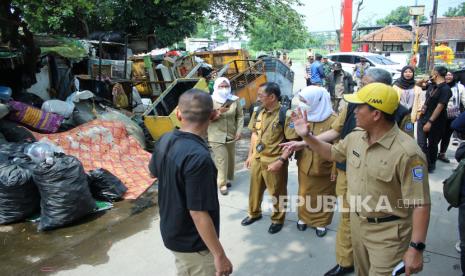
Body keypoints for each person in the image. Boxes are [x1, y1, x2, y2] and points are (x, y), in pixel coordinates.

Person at [280, 68, 413, 276]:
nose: (360, 88)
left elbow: (407, 158)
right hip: (348, 168)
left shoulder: (402, 116)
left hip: (382, 180)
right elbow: (335, 133)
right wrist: (305, 141)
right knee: (348, 218)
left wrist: (417, 246)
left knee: (376, 218)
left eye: (365, 84)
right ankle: (345, 261)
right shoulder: (353, 107)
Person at [149, 89, 233, 276]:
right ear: (212, 115)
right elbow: (197, 213)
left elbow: (151, 173)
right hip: (193, 243)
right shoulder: (199, 157)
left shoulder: (164, 139)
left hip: (171, 231)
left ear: (178, 113)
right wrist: (219, 255)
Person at [241, 82, 299, 234]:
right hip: (257, 159)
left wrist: (281, 161)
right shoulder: (258, 110)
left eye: (261, 95)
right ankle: (254, 213)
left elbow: (291, 143)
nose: (258, 98)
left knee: (277, 193)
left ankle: (277, 219)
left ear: (272, 97)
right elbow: (254, 133)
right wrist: (250, 155)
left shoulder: (287, 115)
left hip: (274, 161)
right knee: (254, 190)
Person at [294, 86, 337, 237]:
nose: (302, 103)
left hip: (325, 165)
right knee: (304, 193)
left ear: (316, 100)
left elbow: (339, 146)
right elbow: (295, 137)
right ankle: (303, 218)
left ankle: (321, 222)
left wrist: (335, 168)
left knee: (326, 196)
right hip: (305, 163)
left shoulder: (333, 120)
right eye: (301, 100)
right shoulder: (302, 115)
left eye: (305, 101)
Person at [208, 77, 244, 195]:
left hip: (231, 135)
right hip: (216, 136)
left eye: (226, 86)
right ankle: (222, 184)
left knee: (230, 159)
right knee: (222, 159)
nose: (224, 89)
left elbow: (239, 116)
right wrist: (219, 112)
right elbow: (204, 117)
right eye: (221, 86)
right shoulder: (210, 100)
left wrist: (239, 131)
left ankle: (227, 179)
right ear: (216, 87)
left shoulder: (233, 100)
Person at [417, 66, 453, 173]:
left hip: (436, 121)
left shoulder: (446, 89)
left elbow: (440, 107)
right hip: (423, 117)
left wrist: (430, 122)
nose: (431, 73)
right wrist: (424, 80)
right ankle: (424, 162)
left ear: (436, 73)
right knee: (421, 144)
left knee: (432, 144)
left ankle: (431, 164)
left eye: (432, 72)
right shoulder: (431, 85)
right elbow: (418, 84)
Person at [438, 71, 465, 163]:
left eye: (450, 75)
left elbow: (464, 100)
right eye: (446, 75)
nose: (448, 76)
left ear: (454, 76)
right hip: (439, 115)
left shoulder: (460, 87)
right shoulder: (439, 85)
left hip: (453, 116)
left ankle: (442, 154)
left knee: (446, 136)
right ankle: (432, 153)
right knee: (437, 135)